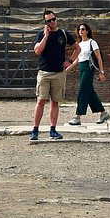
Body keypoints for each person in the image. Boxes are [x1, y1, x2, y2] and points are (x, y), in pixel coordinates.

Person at [30, 10, 75, 141]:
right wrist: (45, 36)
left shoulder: (63, 34)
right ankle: (35, 129)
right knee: (41, 101)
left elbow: (77, 48)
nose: (52, 22)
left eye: (53, 19)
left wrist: (70, 61)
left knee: (55, 102)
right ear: (46, 23)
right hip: (44, 73)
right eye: (49, 20)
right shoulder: (41, 35)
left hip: (59, 73)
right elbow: (37, 51)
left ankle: (53, 130)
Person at [67, 23, 110, 127]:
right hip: (82, 68)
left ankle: (78, 116)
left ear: (87, 31)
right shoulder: (80, 44)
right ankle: (103, 113)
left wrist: (101, 72)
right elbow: (78, 59)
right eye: (79, 30)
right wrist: (69, 67)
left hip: (88, 67)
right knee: (89, 91)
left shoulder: (92, 42)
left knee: (82, 90)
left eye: (83, 29)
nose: (81, 31)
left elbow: (99, 58)